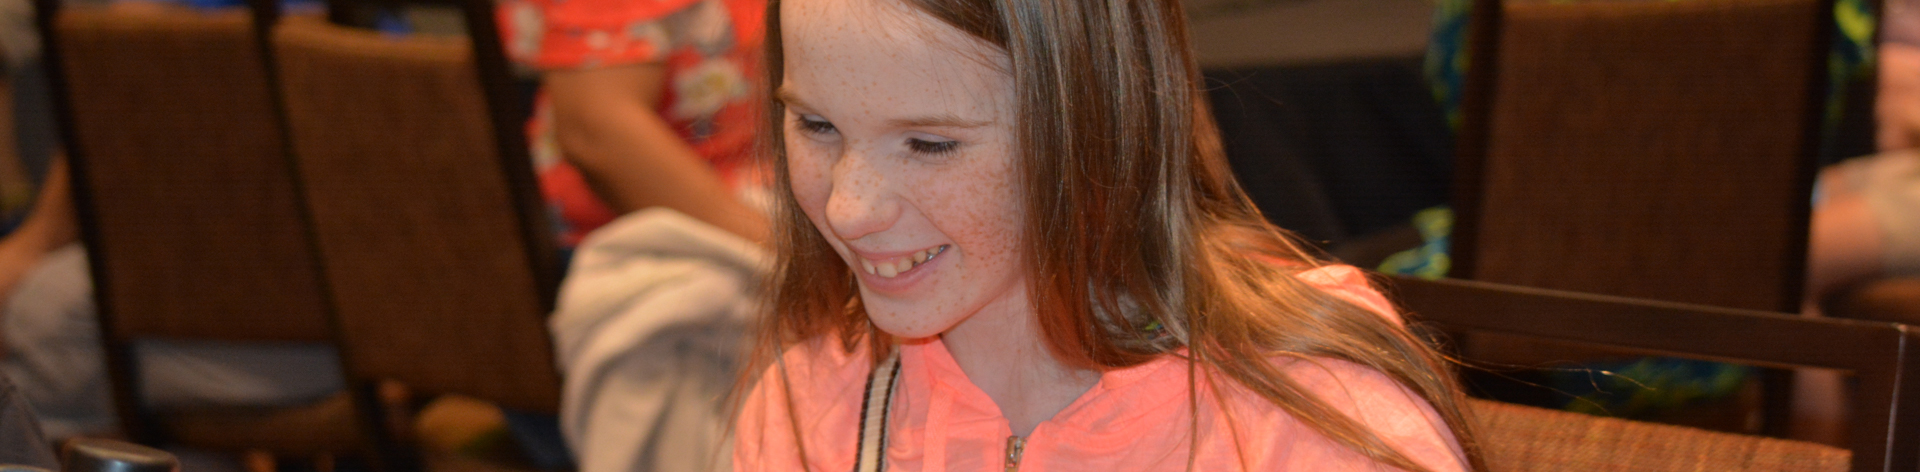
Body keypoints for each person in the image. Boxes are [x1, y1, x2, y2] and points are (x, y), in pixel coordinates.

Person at [731, 0, 1479, 470]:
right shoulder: (816, 400)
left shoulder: (1313, 414)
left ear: (1100, 127)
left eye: (930, 144)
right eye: (816, 125)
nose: (850, 208)